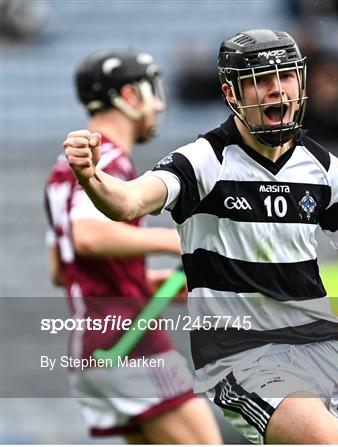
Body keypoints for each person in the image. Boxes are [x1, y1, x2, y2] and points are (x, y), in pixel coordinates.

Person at [62, 31, 338, 444]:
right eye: (260, 80)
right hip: (240, 356)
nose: (277, 89)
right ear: (231, 93)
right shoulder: (203, 161)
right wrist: (93, 178)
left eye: (287, 77)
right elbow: (129, 201)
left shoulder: (325, 169)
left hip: (324, 353)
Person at [45, 49, 221, 444]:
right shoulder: (106, 160)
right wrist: (180, 243)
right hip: (128, 342)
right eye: (152, 91)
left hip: (94, 345)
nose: (159, 104)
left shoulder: (62, 169)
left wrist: (145, 282)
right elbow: (87, 237)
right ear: (128, 95)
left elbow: (63, 269)